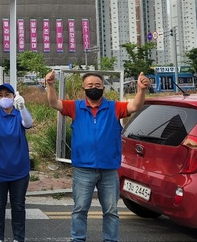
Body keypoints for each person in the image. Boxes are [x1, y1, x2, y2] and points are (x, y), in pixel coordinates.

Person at [45, 70, 150, 242]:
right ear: (83, 88)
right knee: (80, 209)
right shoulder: (76, 107)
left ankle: (110, 240)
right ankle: (77, 239)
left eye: (98, 85)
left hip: (109, 170)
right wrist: (50, 85)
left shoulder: (114, 107)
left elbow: (135, 106)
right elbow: (54, 103)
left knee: (110, 211)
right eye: (90, 86)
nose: (94, 88)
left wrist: (141, 90)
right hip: (83, 170)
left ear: (103, 88)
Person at [0, 84, 33, 242]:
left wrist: (22, 107)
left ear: (14, 97)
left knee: (18, 206)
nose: (4, 98)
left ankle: (18, 238)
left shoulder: (19, 115)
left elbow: (28, 123)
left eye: (7, 95)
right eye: (0, 95)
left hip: (20, 170)